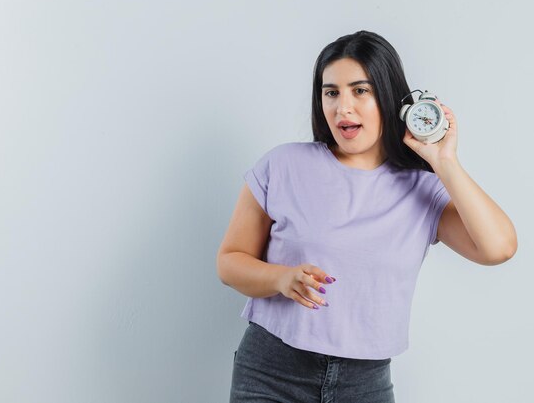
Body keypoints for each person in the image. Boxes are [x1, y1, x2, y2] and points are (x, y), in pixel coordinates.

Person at [216, 30, 517, 403]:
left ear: (389, 97)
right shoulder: (283, 165)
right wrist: (281, 279)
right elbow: (229, 262)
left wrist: (444, 161)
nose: (343, 108)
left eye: (360, 90)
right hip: (271, 372)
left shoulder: (422, 189)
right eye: (331, 92)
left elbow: (499, 248)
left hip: (365, 384)